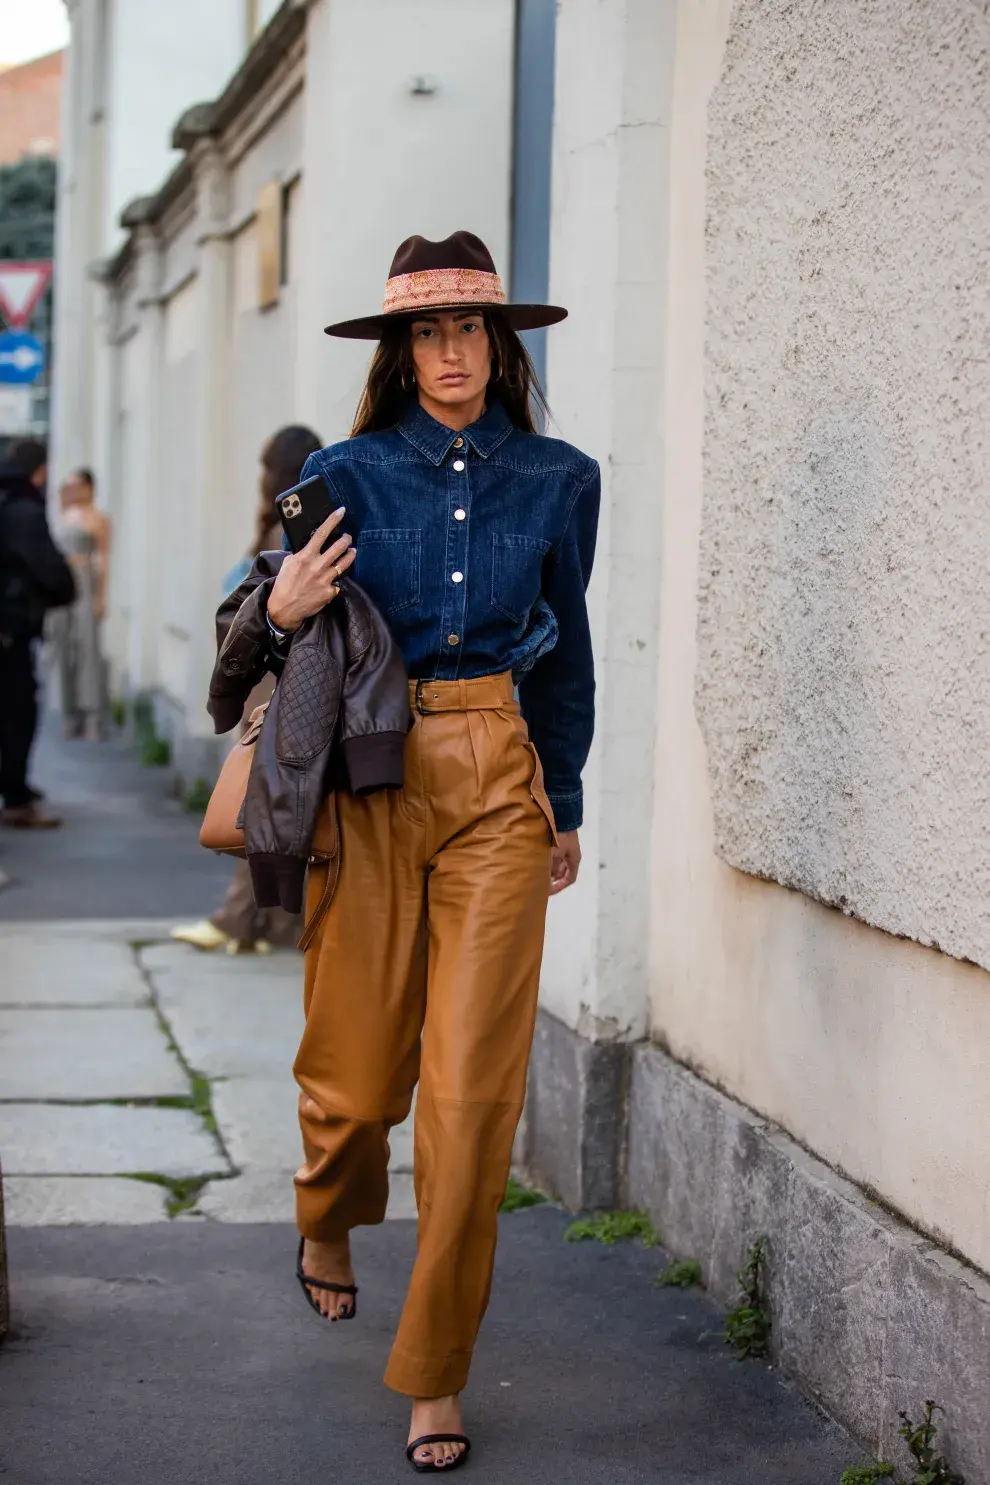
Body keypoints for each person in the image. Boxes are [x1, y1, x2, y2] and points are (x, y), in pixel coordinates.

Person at [262, 231, 600, 1473]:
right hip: (372, 777)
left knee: (470, 1095)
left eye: (470, 330)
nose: (451, 354)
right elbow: (262, 609)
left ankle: (437, 1372)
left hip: (500, 779)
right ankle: (328, 1214)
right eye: (428, 333)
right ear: (399, 352)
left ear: (499, 346)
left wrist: (561, 797)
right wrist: (285, 602)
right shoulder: (342, 470)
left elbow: (566, 656)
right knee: (354, 1081)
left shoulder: (562, 477)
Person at [172, 424, 322, 954]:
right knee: (277, 803)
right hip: (268, 673)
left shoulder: (294, 526)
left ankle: (238, 921)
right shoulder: (287, 523)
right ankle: (272, 925)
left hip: (276, 679)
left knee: (258, 803)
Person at [0, 439, 75, 828]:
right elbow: (49, 569)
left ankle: (15, 790)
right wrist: (65, 588)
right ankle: (15, 798)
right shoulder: (25, 510)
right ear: (40, 472)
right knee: (18, 713)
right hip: (10, 631)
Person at [52, 468, 111, 741]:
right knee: (63, 648)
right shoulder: (63, 516)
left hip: (85, 580)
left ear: (89, 487)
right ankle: (68, 713)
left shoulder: (98, 520)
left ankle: (92, 717)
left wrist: (100, 596)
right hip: (59, 585)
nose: (72, 490)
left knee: (88, 649)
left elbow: (104, 559)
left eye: (77, 485)